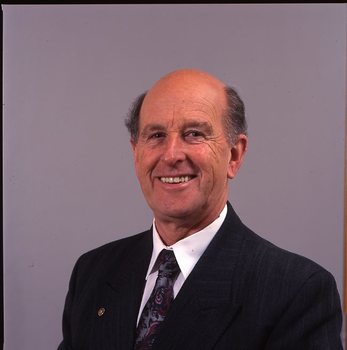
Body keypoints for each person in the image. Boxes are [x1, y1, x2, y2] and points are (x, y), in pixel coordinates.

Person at [58, 69, 343, 349]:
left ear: (234, 155)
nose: (171, 155)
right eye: (156, 135)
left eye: (193, 133)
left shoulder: (296, 291)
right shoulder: (93, 272)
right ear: (136, 153)